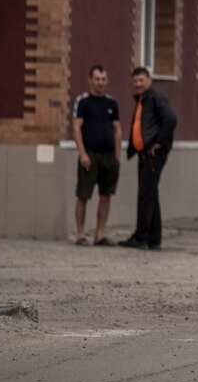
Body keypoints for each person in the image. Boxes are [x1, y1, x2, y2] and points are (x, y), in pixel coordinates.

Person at [118, 67, 177, 251]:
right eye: (135, 81)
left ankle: (141, 237)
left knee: (145, 194)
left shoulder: (156, 98)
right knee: (151, 194)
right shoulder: (142, 100)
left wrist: (159, 142)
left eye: (141, 80)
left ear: (149, 80)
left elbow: (171, 118)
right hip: (143, 152)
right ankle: (154, 239)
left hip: (154, 153)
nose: (138, 84)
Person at [71, 65, 122, 246]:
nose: (100, 82)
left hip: (108, 156)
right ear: (90, 80)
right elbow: (76, 128)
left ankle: (100, 234)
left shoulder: (112, 103)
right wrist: (83, 153)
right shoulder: (82, 101)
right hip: (89, 155)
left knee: (106, 196)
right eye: (97, 79)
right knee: (83, 195)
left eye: (103, 79)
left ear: (106, 80)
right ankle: (80, 234)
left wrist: (117, 155)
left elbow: (117, 129)